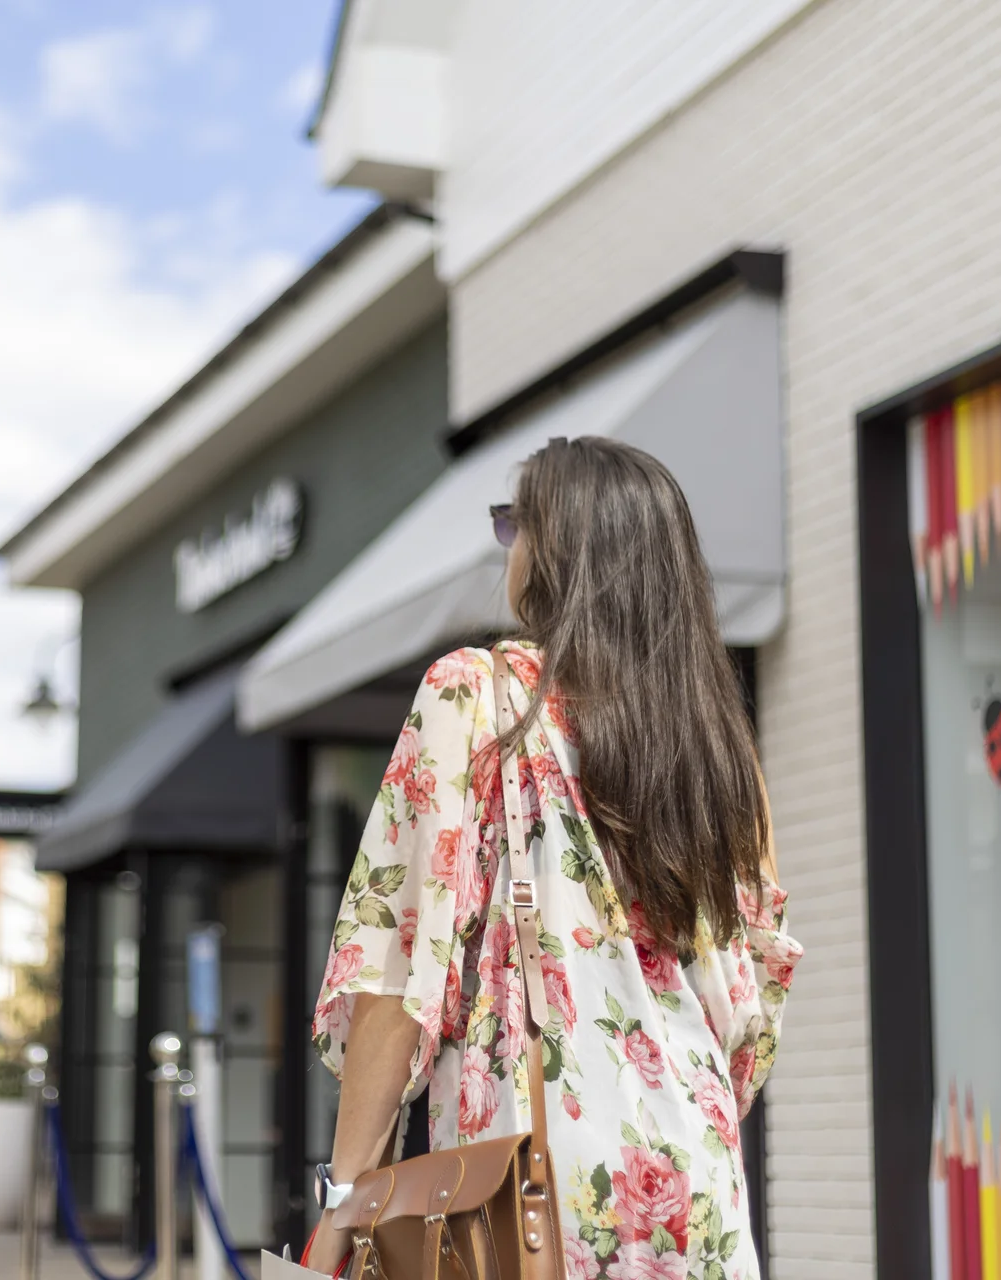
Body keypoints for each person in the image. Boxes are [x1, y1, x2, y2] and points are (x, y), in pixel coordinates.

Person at [303, 437, 803, 1276]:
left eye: (514, 525)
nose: (510, 547)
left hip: (529, 1180)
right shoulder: (720, 748)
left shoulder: (475, 696)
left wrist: (345, 1201)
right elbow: (753, 1001)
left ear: (555, 550)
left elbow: (396, 976)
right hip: (698, 1175)